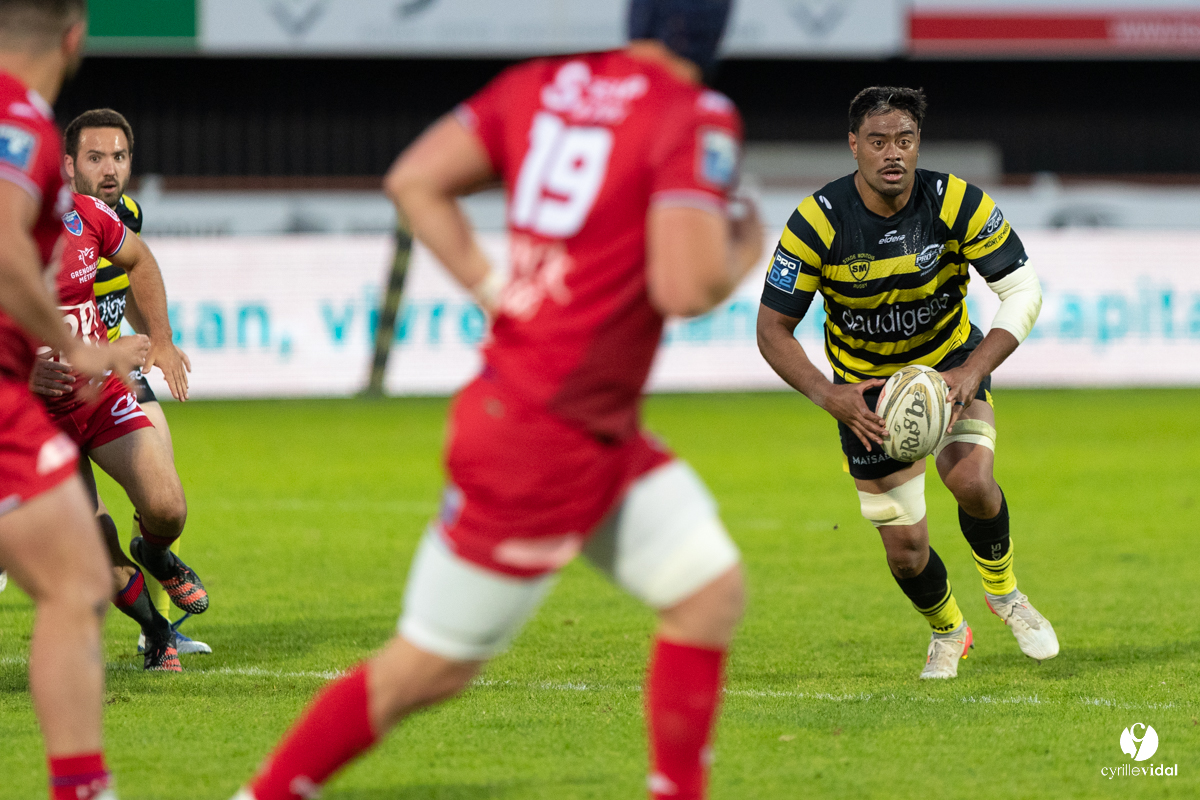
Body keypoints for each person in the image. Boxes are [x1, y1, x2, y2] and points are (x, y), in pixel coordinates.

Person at [232, 2, 763, 798]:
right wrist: (743, 249)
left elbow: (414, 179)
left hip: (587, 424)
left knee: (708, 591)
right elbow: (685, 287)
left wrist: (493, 289)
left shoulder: (540, 84)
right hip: (545, 438)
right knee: (429, 666)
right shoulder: (695, 113)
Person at [756, 86, 1058, 679]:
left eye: (904, 140)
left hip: (949, 366)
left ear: (918, 144)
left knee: (972, 480)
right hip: (865, 395)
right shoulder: (817, 221)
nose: (892, 153)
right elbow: (772, 329)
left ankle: (1005, 594)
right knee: (906, 552)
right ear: (854, 145)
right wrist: (829, 395)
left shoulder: (957, 202)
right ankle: (949, 630)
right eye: (877, 141)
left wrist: (974, 369)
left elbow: (1023, 289)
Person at [0, 1, 146, 797]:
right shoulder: (17, 119)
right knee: (76, 583)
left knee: (80, 578)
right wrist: (79, 346)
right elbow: (3, 252)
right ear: (74, 35)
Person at [30, 107, 212, 656]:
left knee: (168, 506)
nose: (109, 168)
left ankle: (156, 553)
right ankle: (156, 633)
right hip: (33, 417)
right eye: (95, 157)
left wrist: (159, 339)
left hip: (100, 389)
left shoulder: (88, 216)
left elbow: (139, 261)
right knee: (95, 547)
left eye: (119, 157)